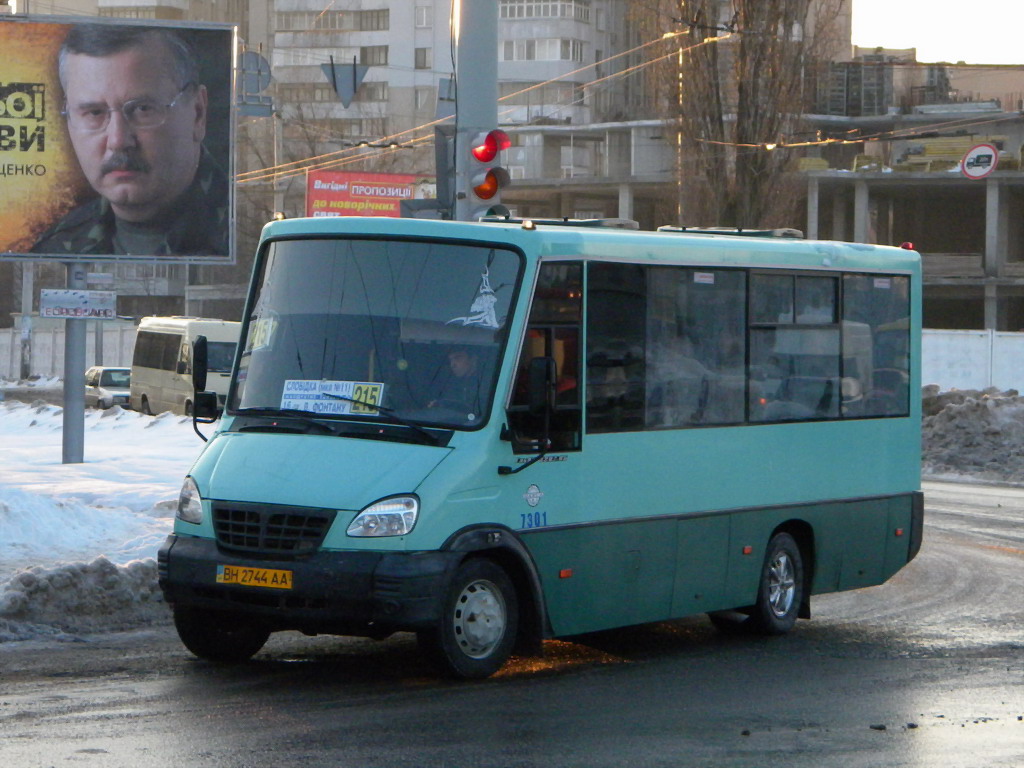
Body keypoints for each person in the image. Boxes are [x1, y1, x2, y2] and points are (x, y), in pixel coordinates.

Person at [31, 24, 228, 256]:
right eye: (94, 113)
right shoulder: (54, 247)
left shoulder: (245, 229)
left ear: (197, 113)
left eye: (143, 109)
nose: (118, 140)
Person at [430, 346, 482, 414]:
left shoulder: (485, 383)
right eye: (451, 360)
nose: (452, 364)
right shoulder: (451, 383)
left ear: (473, 360)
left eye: (458, 358)